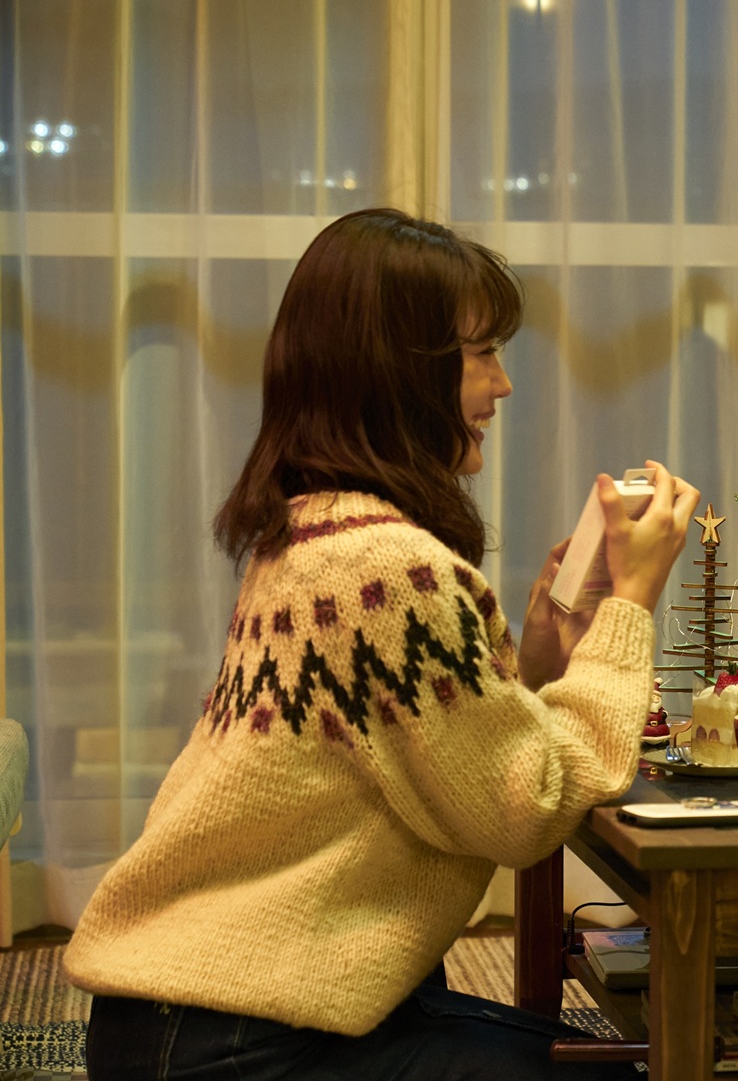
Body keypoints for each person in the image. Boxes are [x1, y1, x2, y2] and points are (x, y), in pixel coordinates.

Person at [64, 209, 701, 1079]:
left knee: (589, 1057)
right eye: (482, 353)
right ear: (400, 371)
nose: (504, 384)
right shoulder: (387, 569)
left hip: (185, 1012)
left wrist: (540, 662)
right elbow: (527, 809)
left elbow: (435, 757)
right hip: (238, 1038)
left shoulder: (314, 532)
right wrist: (629, 606)